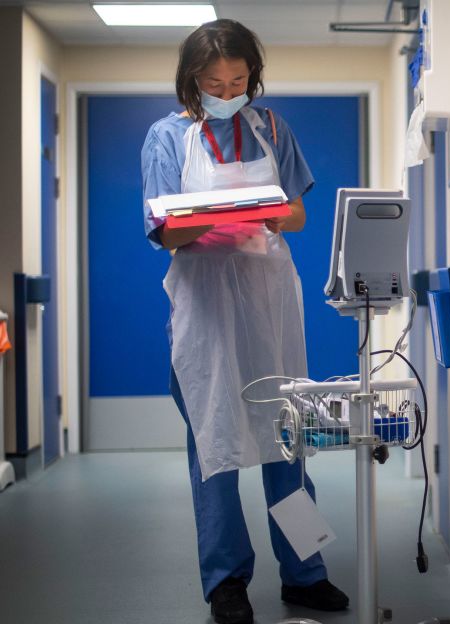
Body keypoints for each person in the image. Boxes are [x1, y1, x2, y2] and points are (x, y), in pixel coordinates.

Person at [140, 19, 348, 624]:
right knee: (216, 447)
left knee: (291, 441)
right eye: (213, 81)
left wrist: (272, 213)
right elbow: (161, 230)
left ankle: (306, 572)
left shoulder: (272, 127)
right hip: (204, 308)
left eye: (238, 80)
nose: (227, 92)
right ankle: (226, 583)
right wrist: (210, 217)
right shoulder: (165, 138)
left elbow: (301, 213)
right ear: (190, 81)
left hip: (268, 301)